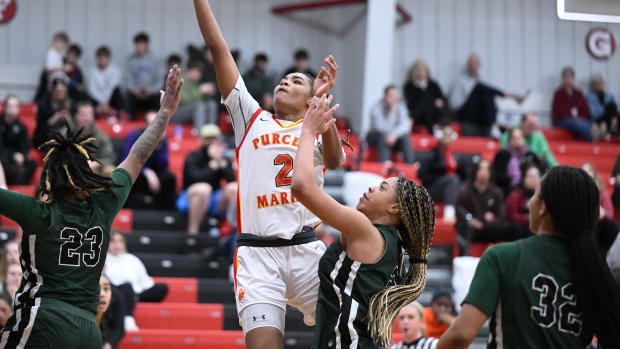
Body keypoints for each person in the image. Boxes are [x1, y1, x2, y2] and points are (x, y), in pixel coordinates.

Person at [193, 1, 345, 348]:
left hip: (306, 250)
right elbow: (218, 48)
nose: (283, 82)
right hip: (258, 254)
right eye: (282, 79)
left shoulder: (314, 126)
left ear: (309, 100)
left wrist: (323, 108)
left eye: (295, 81)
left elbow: (334, 161)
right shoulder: (251, 117)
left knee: (348, 330)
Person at [0, 65, 183, 348]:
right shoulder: (104, 205)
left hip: (44, 318)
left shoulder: (38, 214)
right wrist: (165, 114)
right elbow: (138, 155)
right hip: (89, 331)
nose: (93, 166)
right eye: (87, 163)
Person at [291, 93, 435, 348]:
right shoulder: (388, 243)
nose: (370, 188)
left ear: (394, 208)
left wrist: (308, 130)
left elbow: (302, 187)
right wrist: (323, 102)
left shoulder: (364, 230)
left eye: (381, 188)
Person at [438, 166, 620, 349]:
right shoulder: (594, 271)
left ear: (543, 208)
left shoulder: (503, 256)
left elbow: (460, 336)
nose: (530, 201)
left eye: (534, 194)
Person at [179, 124, 236, 235]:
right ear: (202, 139)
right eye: (208, 138)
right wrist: (211, 167)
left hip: (214, 198)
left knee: (234, 188)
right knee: (204, 189)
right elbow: (194, 179)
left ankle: (231, 231)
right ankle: (192, 233)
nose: (211, 141)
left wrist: (221, 164)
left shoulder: (222, 158)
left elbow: (231, 180)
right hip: (190, 196)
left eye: (214, 138)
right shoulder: (193, 156)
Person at [449, 53, 525, 137]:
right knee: (480, 87)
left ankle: (494, 126)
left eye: (476, 63)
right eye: (471, 62)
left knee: (486, 93)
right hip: (463, 113)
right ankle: (510, 95)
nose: (473, 65)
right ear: (467, 65)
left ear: (479, 65)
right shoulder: (460, 81)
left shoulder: (481, 79)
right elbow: (454, 105)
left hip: (478, 116)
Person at [106, 231, 167, 332]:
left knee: (162, 287)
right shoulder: (103, 259)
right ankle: (128, 318)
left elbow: (145, 282)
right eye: (113, 241)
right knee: (126, 287)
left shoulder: (132, 259)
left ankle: (132, 299)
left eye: (120, 241)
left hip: (134, 292)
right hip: (114, 293)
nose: (116, 245)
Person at [121, 110, 177, 210]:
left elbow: (163, 165)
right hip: (137, 172)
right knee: (131, 176)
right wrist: (146, 171)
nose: (157, 127)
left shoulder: (162, 139)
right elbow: (126, 159)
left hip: (154, 174)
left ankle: (166, 211)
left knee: (169, 178)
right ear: (146, 125)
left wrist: (158, 145)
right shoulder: (134, 135)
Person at [455, 160, 508, 243]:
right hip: (472, 228)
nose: (484, 173)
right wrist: (473, 220)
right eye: (481, 169)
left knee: (511, 228)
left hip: (490, 228)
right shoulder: (465, 191)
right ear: (475, 171)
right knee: (465, 228)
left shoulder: (496, 192)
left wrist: (487, 222)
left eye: (487, 170)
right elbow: (459, 211)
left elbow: (501, 215)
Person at [419, 122, 460, 221]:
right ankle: (449, 214)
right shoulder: (432, 153)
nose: (448, 137)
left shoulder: (453, 154)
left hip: (449, 188)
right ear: (439, 136)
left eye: (450, 134)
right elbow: (422, 175)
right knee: (452, 179)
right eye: (446, 134)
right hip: (431, 189)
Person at [66, 101, 116, 176]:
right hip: (71, 170)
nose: (87, 118)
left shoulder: (101, 136)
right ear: (76, 116)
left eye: (90, 115)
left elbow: (110, 158)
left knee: (110, 170)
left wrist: (96, 163)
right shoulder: (65, 134)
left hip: (94, 170)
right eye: (83, 115)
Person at [367, 85, 414, 164]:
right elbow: (381, 128)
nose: (394, 99)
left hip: (393, 137)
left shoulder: (401, 107)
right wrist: (392, 113)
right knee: (383, 136)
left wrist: (395, 134)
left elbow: (406, 126)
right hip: (375, 137)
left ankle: (410, 166)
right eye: (391, 96)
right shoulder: (376, 108)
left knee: (405, 138)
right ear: (385, 96)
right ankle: (385, 165)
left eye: (396, 96)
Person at [581, 162, 619, 257]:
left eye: (589, 170)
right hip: (584, 225)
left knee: (611, 226)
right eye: (584, 170)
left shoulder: (602, 192)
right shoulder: (577, 191)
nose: (587, 173)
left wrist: (603, 213)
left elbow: (610, 214)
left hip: (600, 226)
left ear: (594, 174)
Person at [552, 67, 598, 142]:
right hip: (563, 121)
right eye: (566, 78)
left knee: (587, 122)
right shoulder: (558, 94)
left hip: (578, 120)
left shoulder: (578, 93)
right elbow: (558, 112)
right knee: (575, 122)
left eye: (570, 77)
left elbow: (585, 109)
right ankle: (592, 137)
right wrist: (573, 118)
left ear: (573, 79)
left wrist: (580, 118)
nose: (568, 80)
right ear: (563, 79)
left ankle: (595, 131)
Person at [172, 60, 219, 131]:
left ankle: (212, 132)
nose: (199, 75)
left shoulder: (195, 82)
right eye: (198, 72)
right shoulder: (180, 80)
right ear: (190, 70)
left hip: (190, 111)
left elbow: (198, 98)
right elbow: (182, 99)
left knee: (211, 104)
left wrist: (207, 93)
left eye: (200, 73)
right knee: (198, 106)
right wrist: (200, 91)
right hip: (176, 112)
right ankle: (201, 134)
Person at [0, 95, 37, 185]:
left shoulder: (21, 127)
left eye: (15, 106)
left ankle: (19, 183)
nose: (12, 109)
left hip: (16, 161)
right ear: (4, 108)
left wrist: (22, 156)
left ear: (18, 109)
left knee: (32, 163)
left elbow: (26, 146)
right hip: (3, 160)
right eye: (10, 106)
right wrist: (12, 155)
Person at [403, 60, 446, 133]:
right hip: (418, 114)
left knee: (425, 102)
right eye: (418, 70)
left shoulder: (433, 84)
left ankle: (411, 119)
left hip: (432, 112)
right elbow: (410, 102)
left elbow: (441, 98)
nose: (421, 72)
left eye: (423, 70)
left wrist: (440, 102)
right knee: (424, 103)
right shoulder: (409, 86)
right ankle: (431, 130)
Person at [125, 32, 161, 119]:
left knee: (158, 98)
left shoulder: (155, 59)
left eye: (141, 44)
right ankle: (131, 123)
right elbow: (127, 79)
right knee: (127, 98)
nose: (139, 47)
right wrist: (134, 90)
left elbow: (160, 80)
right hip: (136, 93)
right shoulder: (131, 60)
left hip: (151, 93)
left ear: (146, 45)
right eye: (137, 45)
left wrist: (151, 90)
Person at [33, 76, 72, 148]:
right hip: (46, 139)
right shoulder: (44, 105)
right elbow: (39, 132)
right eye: (58, 91)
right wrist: (53, 120)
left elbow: (77, 128)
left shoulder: (71, 104)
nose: (61, 94)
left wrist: (70, 121)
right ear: (52, 91)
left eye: (63, 91)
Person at [88, 46, 126, 118]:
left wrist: (105, 102)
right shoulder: (92, 71)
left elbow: (112, 88)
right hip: (97, 100)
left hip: (110, 99)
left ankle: (120, 114)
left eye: (104, 58)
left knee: (118, 91)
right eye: (100, 58)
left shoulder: (116, 70)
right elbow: (92, 90)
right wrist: (102, 103)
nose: (102, 60)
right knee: (87, 97)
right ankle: (93, 114)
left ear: (109, 58)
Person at [505, 163, 540, 235]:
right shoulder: (516, 194)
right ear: (524, 179)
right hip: (520, 229)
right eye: (530, 177)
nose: (533, 180)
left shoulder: (543, 196)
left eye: (536, 177)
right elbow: (512, 216)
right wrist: (529, 218)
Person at [586, 74, 619, 142]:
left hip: (609, 118)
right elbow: (593, 113)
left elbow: (616, 108)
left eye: (601, 83)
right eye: (597, 83)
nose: (600, 85)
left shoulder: (609, 95)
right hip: (597, 120)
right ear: (593, 85)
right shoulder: (589, 97)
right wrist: (606, 110)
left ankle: (614, 127)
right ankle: (614, 128)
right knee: (611, 107)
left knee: (612, 107)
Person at [97, 274, 126, 349]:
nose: (102, 294)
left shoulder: (117, 295)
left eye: (106, 289)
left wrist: (109, 344)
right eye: (97, 288)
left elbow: (119, 328)